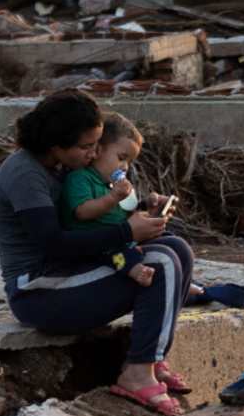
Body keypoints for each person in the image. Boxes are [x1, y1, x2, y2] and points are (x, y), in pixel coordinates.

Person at [0, 92, 195, 416]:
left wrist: (142, 212)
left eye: (97, 145)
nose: (93, 153)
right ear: (56, 144)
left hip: (74, 271)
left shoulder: (63, 165)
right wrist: (127, 233)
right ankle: (137, 373)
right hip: (39, 291)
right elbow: (54, 243)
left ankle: (153, 358)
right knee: (161, 264)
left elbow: (93, 218)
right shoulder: (25, 174)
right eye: (86, 147)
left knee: (176, 248)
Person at [61, 112, 166, 289]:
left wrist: (147, 205)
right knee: (118, 255)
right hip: (95, 244)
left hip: (120, 237)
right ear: (98, 150)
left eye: (129, 162)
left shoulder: (111, 184)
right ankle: (135, 271)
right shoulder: (80, 178)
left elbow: (126, 212)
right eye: (121, 158)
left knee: (167, 238)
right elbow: (82, 211)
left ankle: (187, 282)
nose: (125, 167)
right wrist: (113, 197)